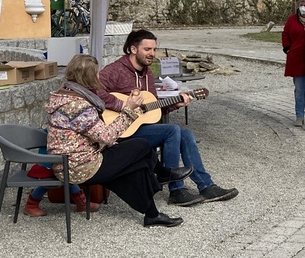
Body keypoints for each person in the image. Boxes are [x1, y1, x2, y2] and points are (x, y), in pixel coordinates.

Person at [99, 30, 238, 207]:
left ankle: (206, 186)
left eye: (154, 49)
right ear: (133, 49)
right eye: (147, 49)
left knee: (186, 134)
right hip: (119, 130)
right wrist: (124, 105)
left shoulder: (147, 74)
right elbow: (92, 91)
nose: (152, 53)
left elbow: (152, 110)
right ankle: (176, 189)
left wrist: (175, 104)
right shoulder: (115, 70)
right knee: (172, 130)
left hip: (138, 128)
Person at [46, 54, 189, 228]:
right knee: (141, 147)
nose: (99, 76)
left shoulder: (64, 96)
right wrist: (129, 110)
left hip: (72, 162)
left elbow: (93, 135)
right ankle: (163, 176)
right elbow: (106, 136)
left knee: (137, 160)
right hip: (80, 166)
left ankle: (153, 212)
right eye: (96, 73)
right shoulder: (78, 106)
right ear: (88, 77)